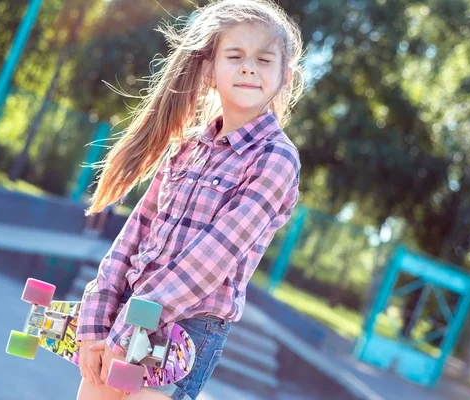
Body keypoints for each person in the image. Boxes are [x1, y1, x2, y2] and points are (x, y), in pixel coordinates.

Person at [75, 0, 304, 399]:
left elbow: (212, 259)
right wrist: (96, 320)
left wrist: (133, 328)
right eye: (235, 56)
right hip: (128, 312)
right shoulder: (187, 146)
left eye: (264, 60)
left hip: (187, 327)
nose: (249, 67)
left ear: (285, 77)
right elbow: (133, 235)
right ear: (209, 70)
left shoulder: (276, 158)